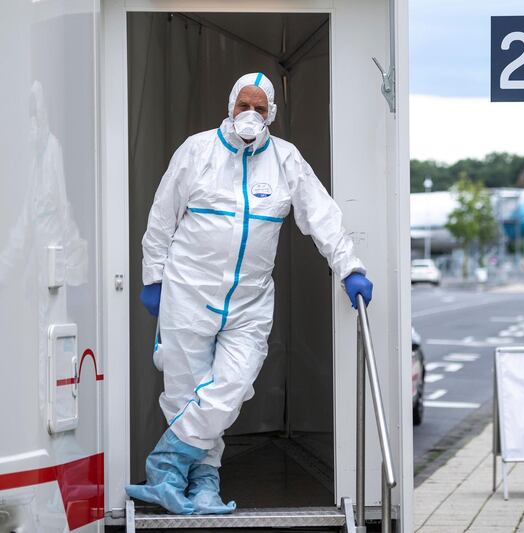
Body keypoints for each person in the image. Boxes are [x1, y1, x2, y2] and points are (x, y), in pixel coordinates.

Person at [126, 72, 373, 515]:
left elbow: (323, 217)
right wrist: (153, 279)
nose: (251, 115)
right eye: (245, 105)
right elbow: (161, 217)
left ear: (271, 114)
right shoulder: (197, 150)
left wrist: (349, 268)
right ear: (230, 106)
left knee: (230, 387)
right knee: (186, 393)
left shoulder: (285, 159)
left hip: (249, 301)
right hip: (187, 292)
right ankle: (203, 485)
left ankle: (164, 466)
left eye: (260, 108)